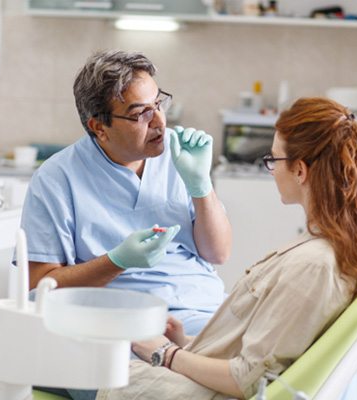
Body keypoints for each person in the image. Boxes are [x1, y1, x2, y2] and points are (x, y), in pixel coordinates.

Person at [69, 97, 357, 400]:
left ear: (300, 170)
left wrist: (165, 353)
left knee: (63, 366)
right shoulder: (325, 249)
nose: (271, 169)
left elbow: (246, 378)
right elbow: (267, 348)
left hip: (204, 392)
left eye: (273, 159)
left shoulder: (315, 265)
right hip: (206, 371)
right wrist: (185, 344)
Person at [20, 49, 232, 337]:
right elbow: (40, 287)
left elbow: (218, 253)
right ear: (99, 127)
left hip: (204, 311)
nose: (159, 121)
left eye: (158, 104)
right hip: (122, 323)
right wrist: (117, 261)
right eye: (141, 113)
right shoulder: (57, 179)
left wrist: (201, 187)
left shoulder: (179, 154)